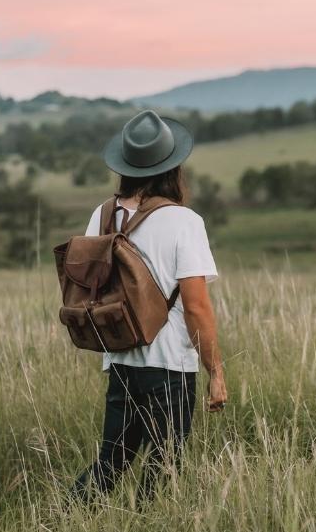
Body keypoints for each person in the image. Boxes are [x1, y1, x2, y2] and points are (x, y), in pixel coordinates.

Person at [70, 109, 227, 506]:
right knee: (165, 464)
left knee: (111, 462)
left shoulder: (103, 214)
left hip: (120, 359)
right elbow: (197, 308)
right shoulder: (183, 221)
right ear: (173, 167)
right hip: (169, 364)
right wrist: (216, 371)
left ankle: (61, 520)